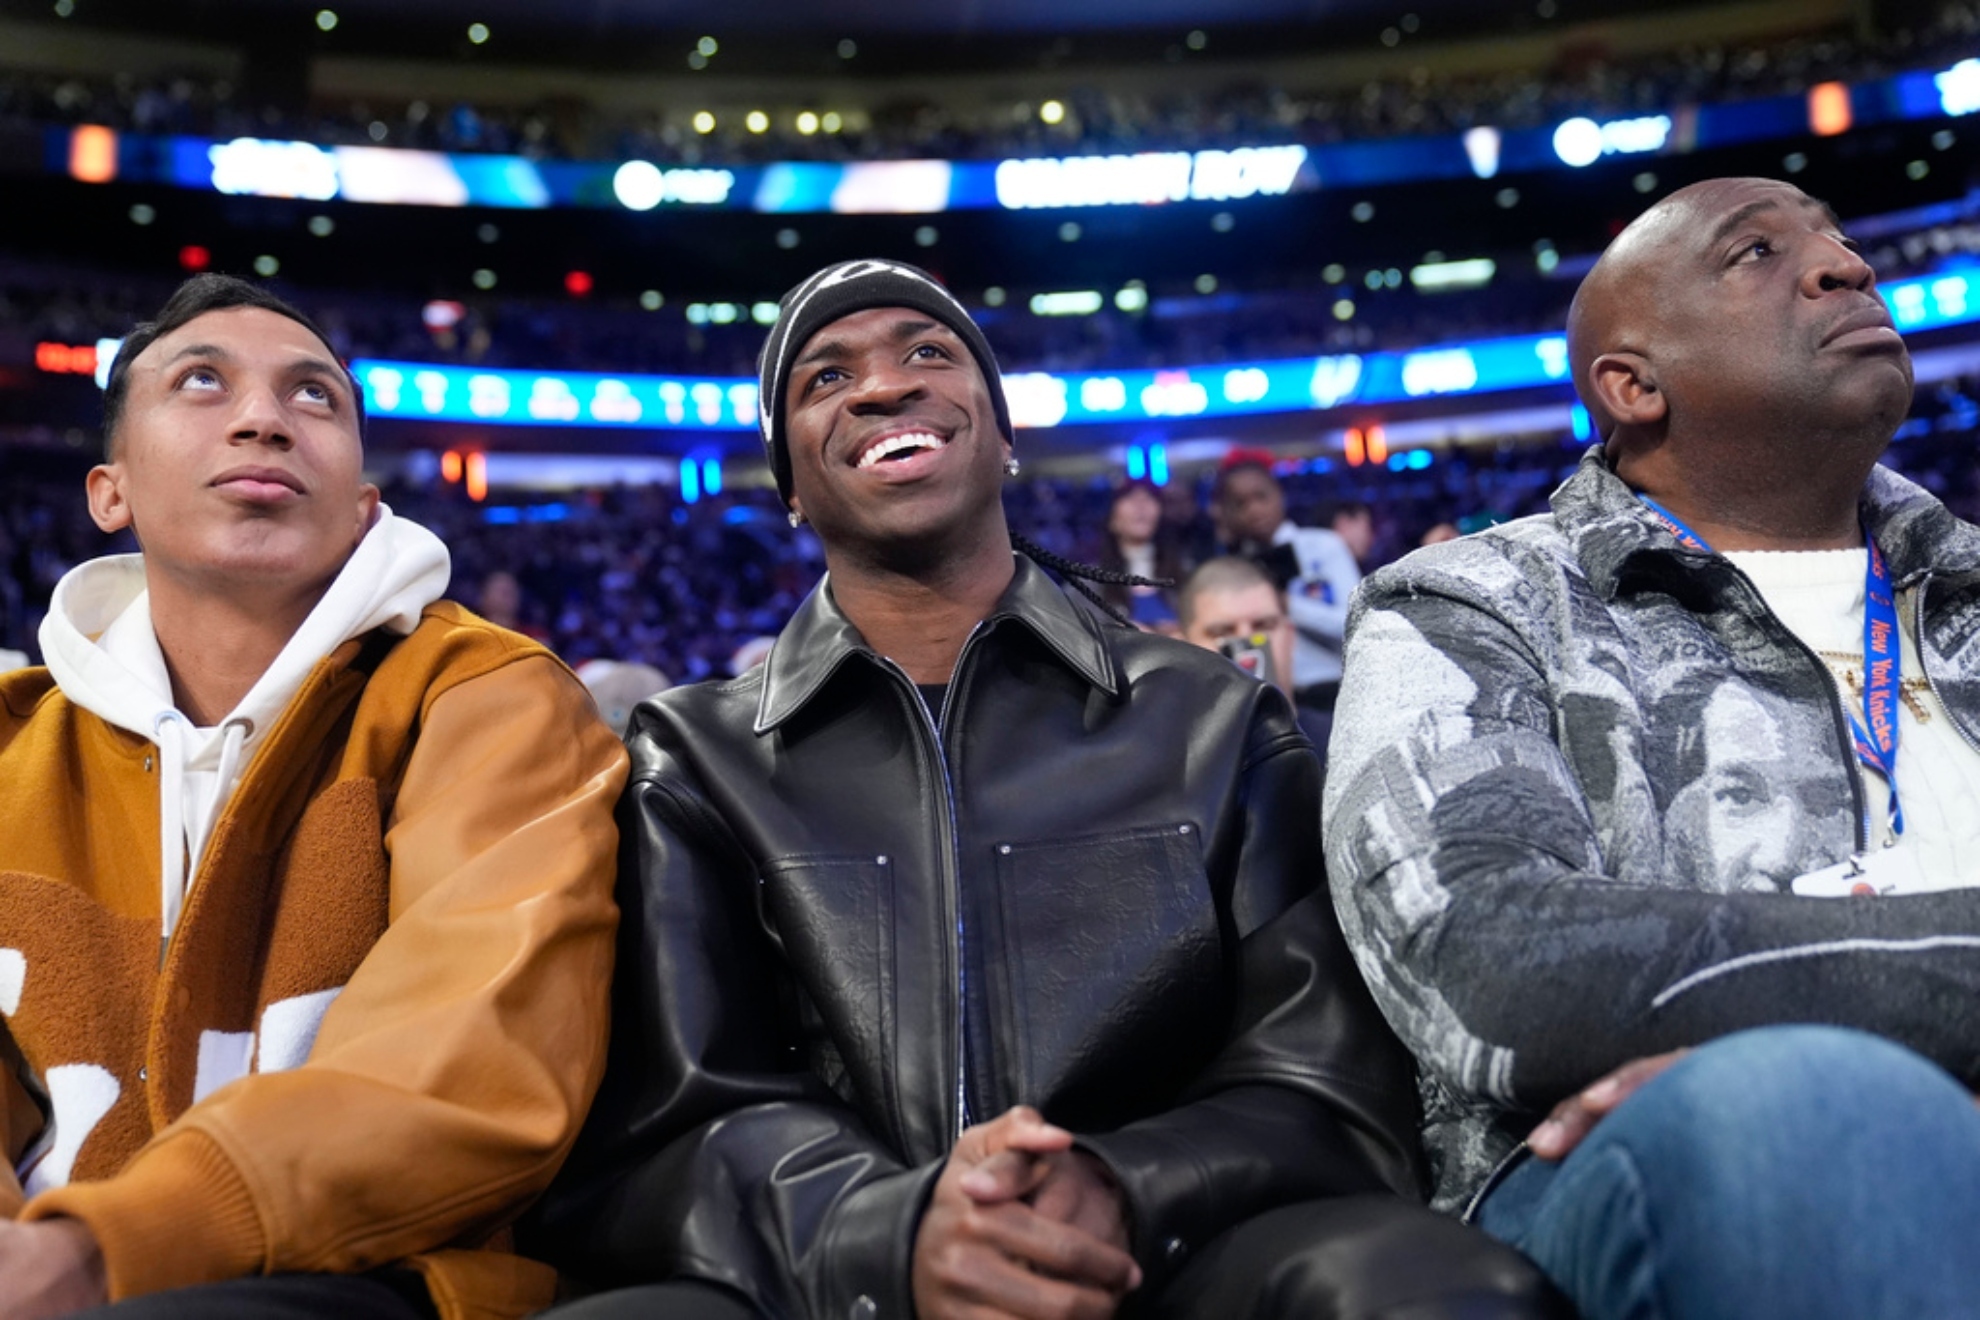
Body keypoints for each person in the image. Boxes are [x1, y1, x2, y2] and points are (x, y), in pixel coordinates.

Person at [526, 258, 1558, 1319]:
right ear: (788, 486)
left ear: (1006, 434)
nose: (883, 387)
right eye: (825, 378)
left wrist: (1118, 1190)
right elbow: (676, 1119)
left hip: (1167, 1264)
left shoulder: (1214, 720)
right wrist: (895, 1231)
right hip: (834, 1284)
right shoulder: (693, 753)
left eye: (928, 352)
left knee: (1430, 1288)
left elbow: (1324, 1085)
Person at [1325, 176, 1980, 1319]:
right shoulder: (1474, 602)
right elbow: (1492, 959)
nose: (1845, 264)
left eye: (1835, 237)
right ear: (1632, 386)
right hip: (1653, 1171)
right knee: (1798, 1110)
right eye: (1756, 253)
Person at [0, 275, 626, 1319]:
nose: (262, 419)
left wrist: (98, 1253)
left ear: (364, 503)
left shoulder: (486, 699)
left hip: (361, 1286)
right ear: (109, 492)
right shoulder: (12, 742)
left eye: (313, 398)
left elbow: (469, 1073)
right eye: (202, 383)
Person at [1213, 455, 1361, 715]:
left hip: (1338, 694)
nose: (1254, 509)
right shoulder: (1234, 568)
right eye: (1240, 503)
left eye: (1261, 497)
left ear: (1279, 495)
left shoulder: (1323, 545)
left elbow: (1356, 622)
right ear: (1227, 512)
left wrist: (1288, 605)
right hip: (1271, 704)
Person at [1175, 556, 1295, 702]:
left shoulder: (1328, 724)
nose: (1247, 642)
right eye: (1222, 631)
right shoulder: (1154, 725)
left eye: (1262, 626)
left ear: (1290, 636)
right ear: (1181, 650)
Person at [1094, 478, 1184, 629]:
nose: (1141, 505)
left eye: (1150, 498)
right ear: (1111, 519)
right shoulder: (1089, 583)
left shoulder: (1183, 576)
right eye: (1129, 497)